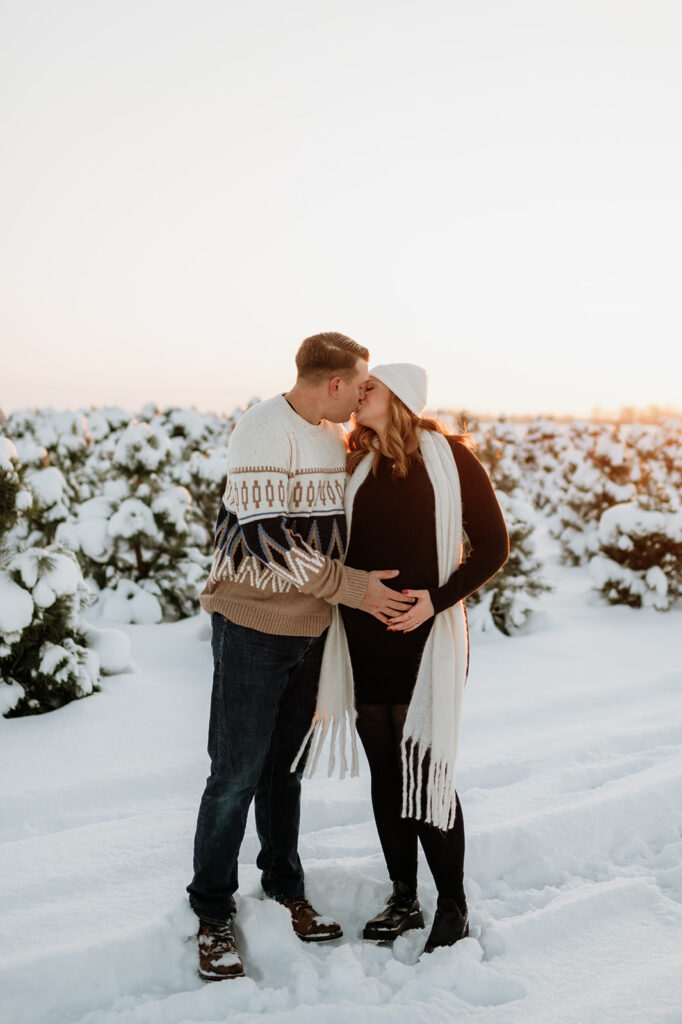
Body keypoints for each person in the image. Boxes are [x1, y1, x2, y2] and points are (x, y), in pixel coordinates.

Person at [186, 334, 414, 981]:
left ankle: (285, 889)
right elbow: (266, 544)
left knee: (284, 772)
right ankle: (211, 914)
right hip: (254, 625)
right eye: (360, 384)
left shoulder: (329, 437)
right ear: (335, 384)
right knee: (234, 774)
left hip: (311, 630)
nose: (364, 395)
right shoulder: (263, 431)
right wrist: (357, 589)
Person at [299, 363, 509, 955]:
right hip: (363, 636)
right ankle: (403, 895)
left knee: (426, 768)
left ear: (403, 399)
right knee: (387, 774)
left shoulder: (450, 459)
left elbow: (494, 546)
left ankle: (454, 904)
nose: (357, 393)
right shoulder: (355, 463)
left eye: (370, 387)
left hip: (426, 637)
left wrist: (433, 604)